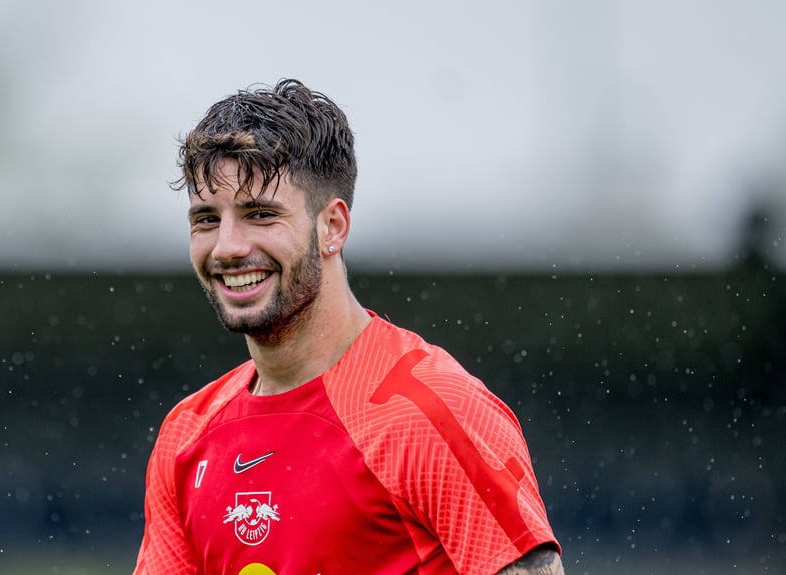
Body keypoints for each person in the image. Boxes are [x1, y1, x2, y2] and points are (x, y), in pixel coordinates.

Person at [134, 79, 564, 575]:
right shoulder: (186, 436)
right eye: (206, 220)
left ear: (332, 227)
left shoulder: (432, 412)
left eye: (261, 214)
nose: (228, 246)